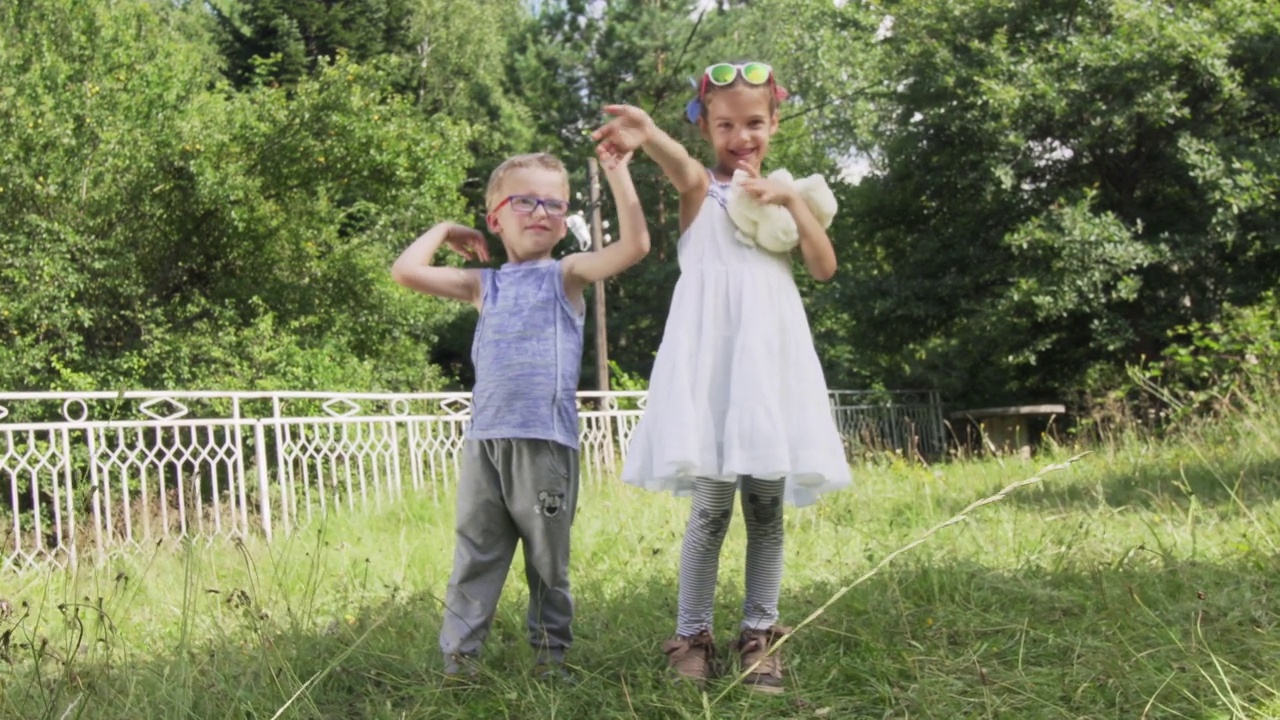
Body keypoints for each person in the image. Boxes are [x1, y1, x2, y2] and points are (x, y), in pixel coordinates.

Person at [592, 61, 851, 693]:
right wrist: (649, 133)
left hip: (767, 375)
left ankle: (759, 634)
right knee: (709, 510)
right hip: (713, 377)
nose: (742, 136)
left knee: (765, 508)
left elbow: (822, 268)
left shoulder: (788, 200)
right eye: (726, 124)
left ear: (774, 124)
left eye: (754, 123)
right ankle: (693, 636)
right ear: (706, 127)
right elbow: (678, 163)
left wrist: (788, 197)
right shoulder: (698, 191)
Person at [390, 147, 649, 679]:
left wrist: (618, 172)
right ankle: (459, 661)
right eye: (525, 201)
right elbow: (405, 272)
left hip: (545, 443)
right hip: (486, 442)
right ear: (495, 218)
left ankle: (551, 660)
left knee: (547, 562)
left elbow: (635, 245)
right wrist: (442, 227)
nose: (540, 213)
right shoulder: (483, 285)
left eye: (555, 204)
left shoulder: (566, 274)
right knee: (475, 553)